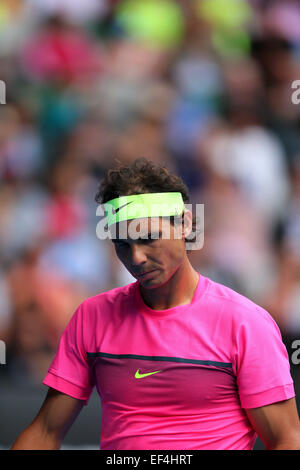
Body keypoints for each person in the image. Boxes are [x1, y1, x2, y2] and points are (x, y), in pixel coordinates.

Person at [11, 157, 300, 450]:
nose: (136, 258)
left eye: (149, 238)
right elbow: (45, 432)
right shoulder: (92, 316)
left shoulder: (245, 323)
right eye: (122, 244)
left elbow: (286, 439)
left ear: (185, 223)